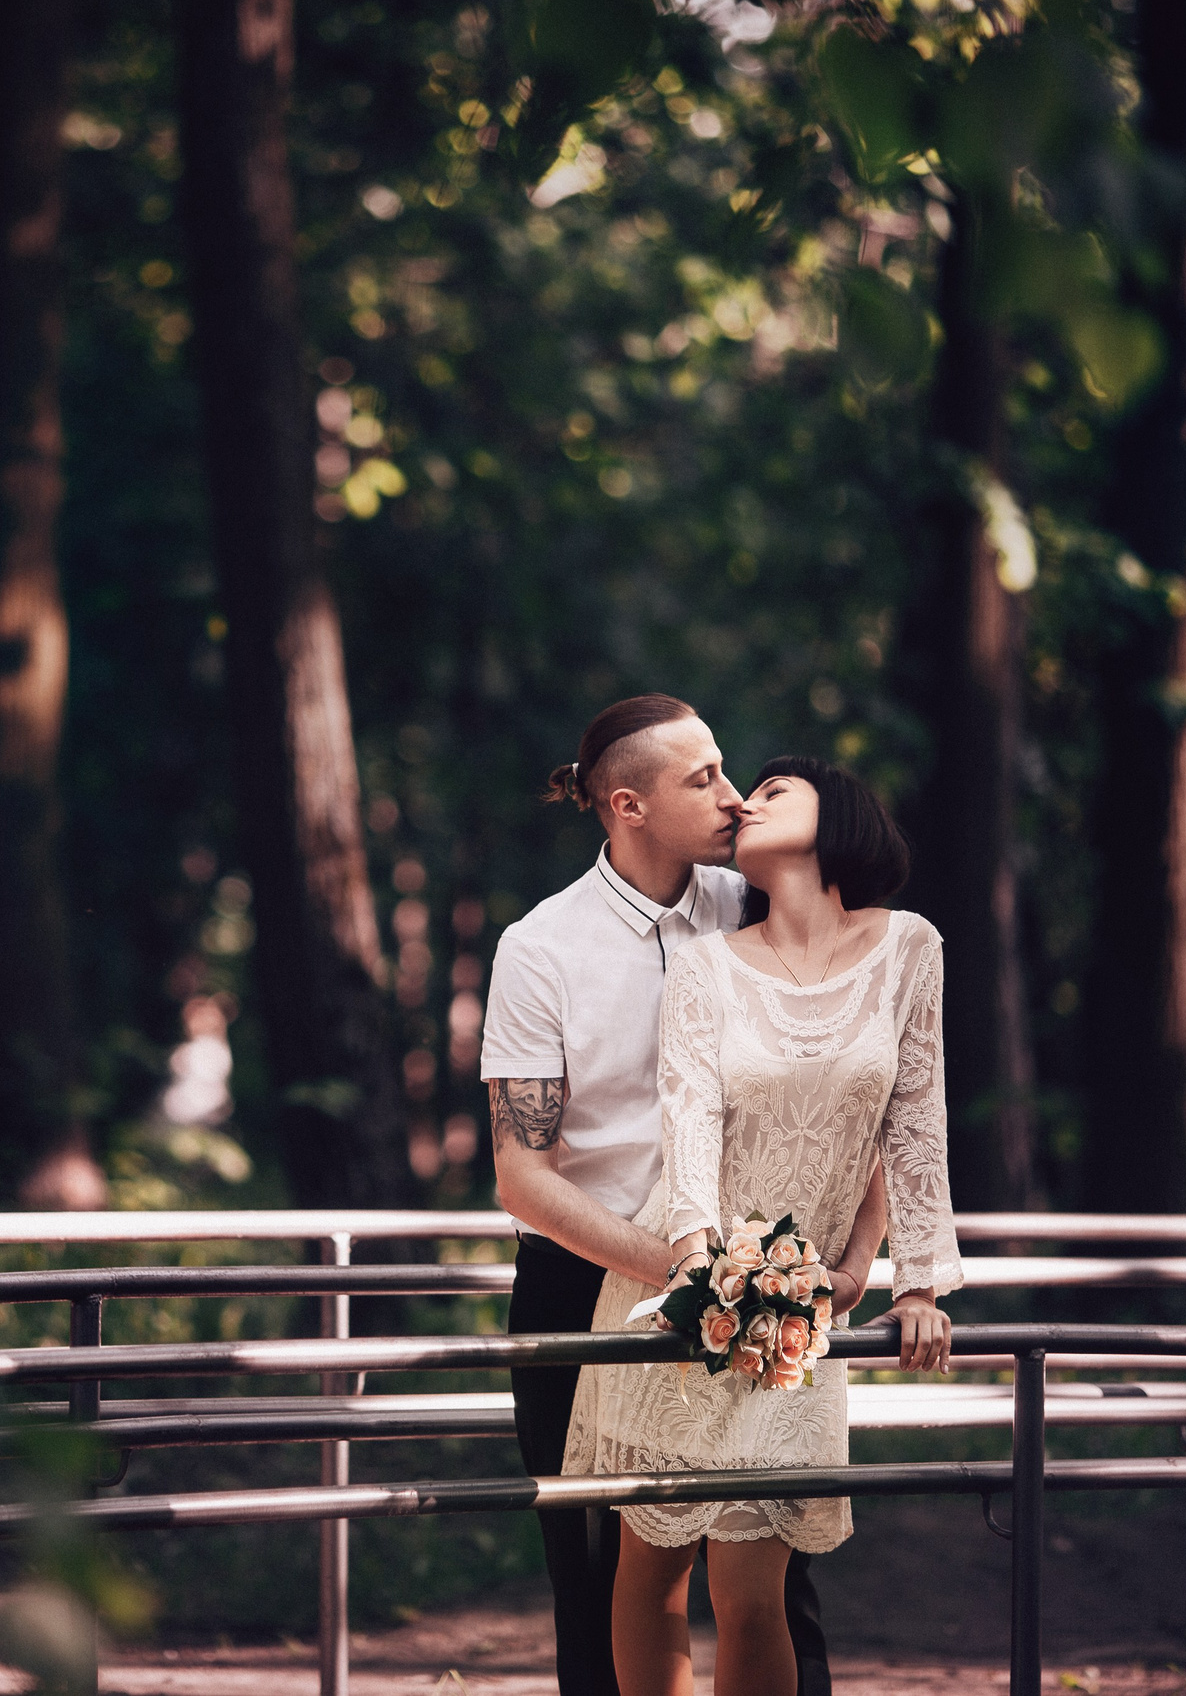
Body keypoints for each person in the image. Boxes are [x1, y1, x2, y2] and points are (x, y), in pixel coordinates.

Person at [483, 700, 886, 1696]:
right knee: (595, 1583)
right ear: (626, 805)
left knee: (776, 1587)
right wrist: (685, 1272)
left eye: (727, 768)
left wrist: (840, 1267)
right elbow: (520, 1176)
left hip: (764, 1286)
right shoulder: (540, 950)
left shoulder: (758, 907)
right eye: (702, 777)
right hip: (586, 1288)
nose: (733, 794)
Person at [565, 755, 962, 1696]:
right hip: (689, 1289)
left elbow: (911, 1120)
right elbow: (687, 1113)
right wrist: (699, 1260)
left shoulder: (910, 947)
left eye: (774, 791)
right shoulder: (704, 963)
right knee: (654, 1567)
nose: (745, 801)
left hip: (804, 1302)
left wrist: (909, 1277)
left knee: (757, 1583)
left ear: (841, 818)